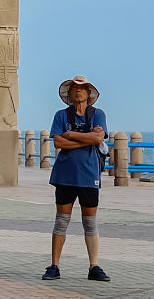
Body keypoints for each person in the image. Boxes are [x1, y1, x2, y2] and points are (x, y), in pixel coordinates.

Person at [42, 75, 110, 283]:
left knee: (90, 222)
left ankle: (94, 266)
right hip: (65, 175)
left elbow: (99, 138)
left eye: (82, 88)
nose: (78, 91)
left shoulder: (98, 115)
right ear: (69, 94)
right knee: (61, 221)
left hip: (90, 175)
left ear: (89, 93)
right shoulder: (61, 115)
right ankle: (54, 265)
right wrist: (85, 139)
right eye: (74, 88)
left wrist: (71, 135)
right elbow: (58, 143)